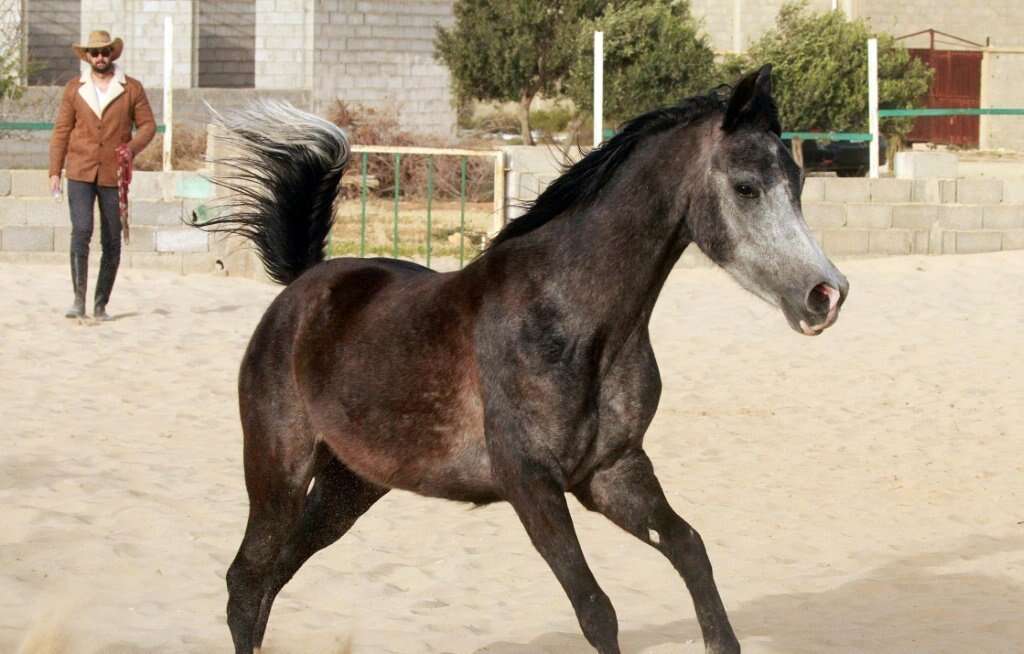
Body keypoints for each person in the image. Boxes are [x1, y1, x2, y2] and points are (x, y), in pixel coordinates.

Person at [49, 30, 155, 320]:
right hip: (81, 170)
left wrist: (131, 149)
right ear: (87, 56)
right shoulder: (74, 88)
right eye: (94, 53)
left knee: (112, 239)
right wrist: (54, 170)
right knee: (81, 231)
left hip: (113, 173)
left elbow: (148, 126)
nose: (100, 57)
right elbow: (61, 131)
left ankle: (100, 303)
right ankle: (78, 298)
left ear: (112, 54)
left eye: (105, 52)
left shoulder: (131, 88)